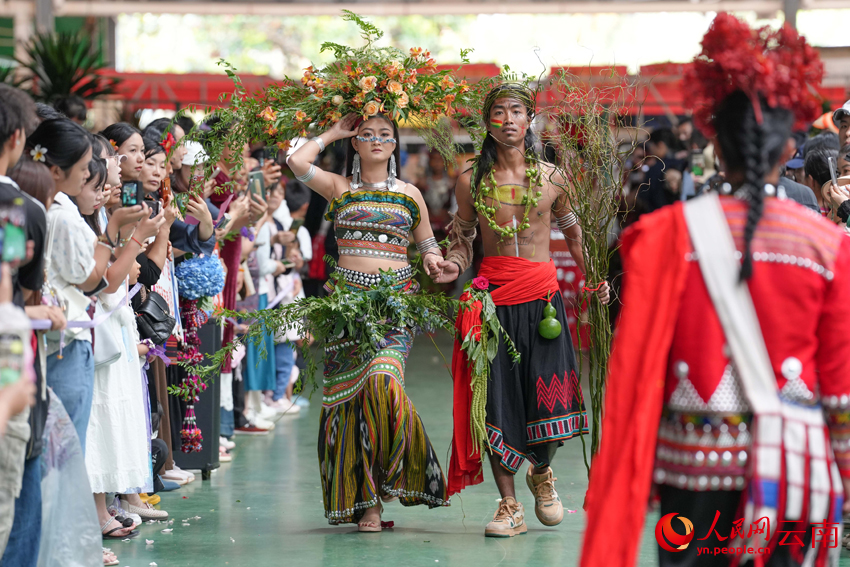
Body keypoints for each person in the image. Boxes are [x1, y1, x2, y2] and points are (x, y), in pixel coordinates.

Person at [581, 14, 847, 567]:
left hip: (691, 479)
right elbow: (842, 390)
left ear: (715, 145)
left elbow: (635, 378)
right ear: (786, 151)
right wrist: (839, 474)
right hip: (793, 476)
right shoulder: (827, 245)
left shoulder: (661, 237)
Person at [433, 82, 609, 537]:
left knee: (551, 401)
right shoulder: (471, 180)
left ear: (530, 119)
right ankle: (508, 505)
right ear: (487, 122)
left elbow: (574, 237)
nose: (508, 119)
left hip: (543, 303)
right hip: (492, 305)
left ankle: (541, 473)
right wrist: (452, 265)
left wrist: (593, 281)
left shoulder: (553, 178)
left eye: (516, 111)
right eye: (498, 112)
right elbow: (464, 237)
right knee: (495, 402)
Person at [287, 111, 451, 531]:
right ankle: (369, 503)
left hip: (395, 308)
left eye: (385, 134)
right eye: (366, 134)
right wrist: (333, 132)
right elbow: (297, 162)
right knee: (350, 406)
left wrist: (435, 261)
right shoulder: (339, 187)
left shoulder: (410, 194)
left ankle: (398, 474)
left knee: (383, 384)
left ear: (396, 145)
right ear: (356, 144)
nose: (376, 140)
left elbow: (428, 244)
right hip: (345, 311)